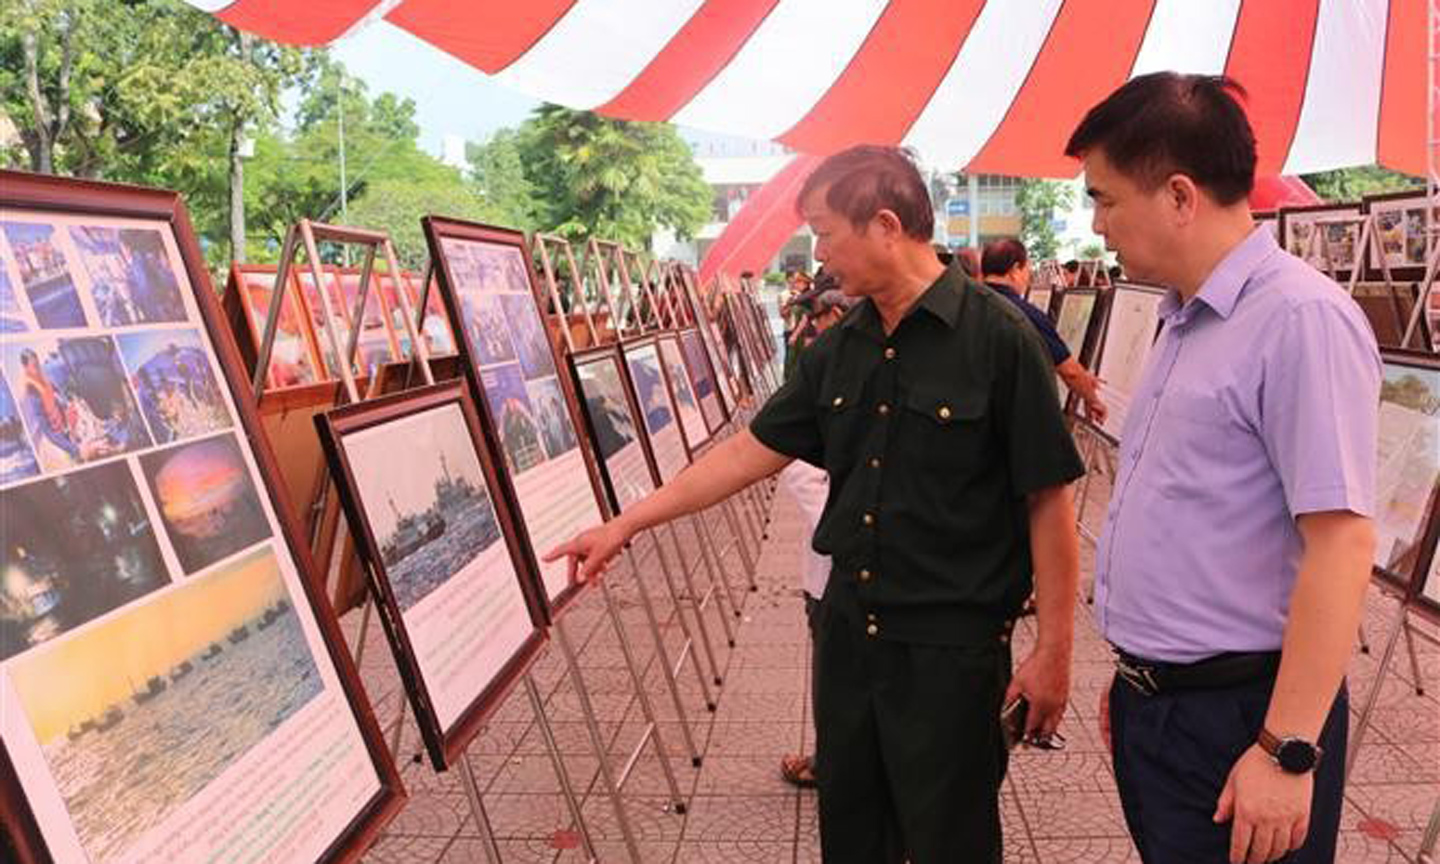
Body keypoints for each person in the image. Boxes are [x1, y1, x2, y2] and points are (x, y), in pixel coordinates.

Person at [547, 144, 1084, 863]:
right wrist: (627, 523)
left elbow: (1048, 502)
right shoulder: (842, 348)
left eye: (827, 232)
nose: (820, 254)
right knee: (854, 833)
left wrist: (1054, 651)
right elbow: (750, 451)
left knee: (949, 840)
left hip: (950, 653)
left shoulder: (1000, 340)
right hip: (849, 638)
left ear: (886, 225)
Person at [1070, 72, 1379, 864]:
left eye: (1105, 199)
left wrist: (1288, 748)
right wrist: (1140, 676)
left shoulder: (1299, 320)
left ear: (1179, 195)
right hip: (1167, 708)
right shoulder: (1184, 317)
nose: (1097, 225)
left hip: (1247, 717)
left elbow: (1341, 544)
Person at [777, 285, 857, 790]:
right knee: (836, 677)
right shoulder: (821, 366)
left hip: (900, 574)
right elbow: (795, 467)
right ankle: (833, 761)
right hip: (835, 570)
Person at [982, 238, 1107, 424]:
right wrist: (1092, 399)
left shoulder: (966, 306)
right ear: (1015, 270)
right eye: (1027, 270)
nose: (1028, 277)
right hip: (1009, 418)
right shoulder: (1024, 314)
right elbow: (1069, 371)